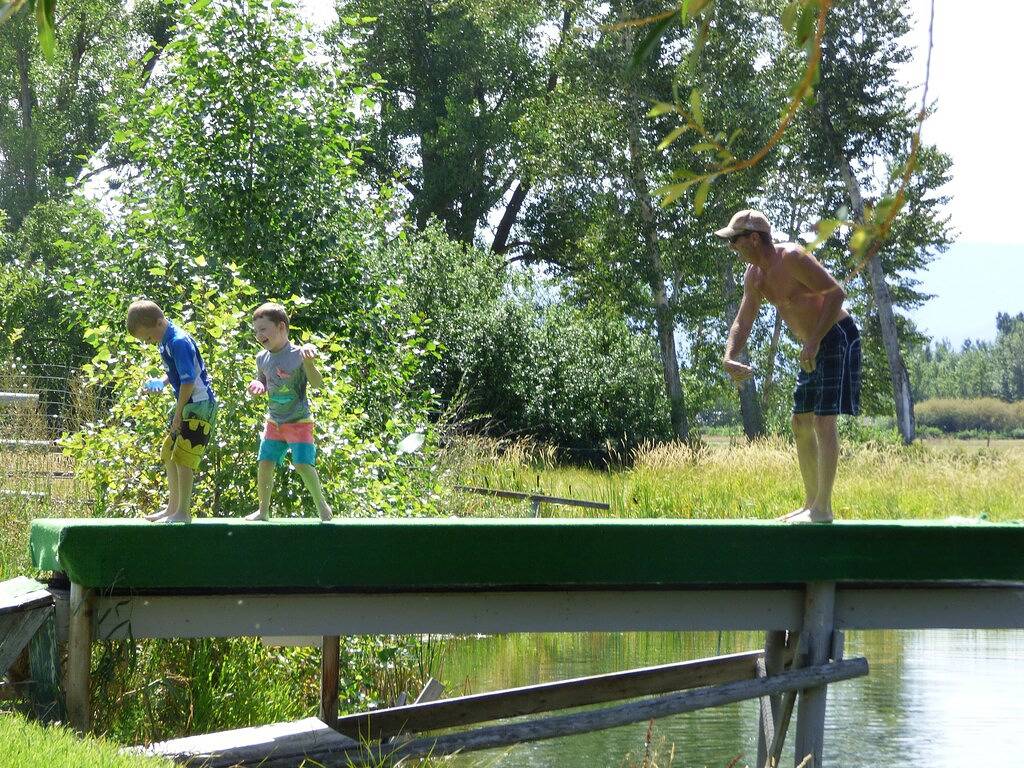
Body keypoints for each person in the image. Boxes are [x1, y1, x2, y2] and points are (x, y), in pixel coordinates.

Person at [717, 209, 861, 523]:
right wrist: (730, 355)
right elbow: (743, 320)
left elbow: (836, 294)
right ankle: (811, 503)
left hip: (836, 335)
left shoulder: (793, 257)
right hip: (813, 344)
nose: (732, 247)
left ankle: (823, 508)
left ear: (754, 238)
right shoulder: (754, 277)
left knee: (823, 422)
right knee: (800, 423)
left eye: (735, 240)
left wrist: (813, 341)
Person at [126, 299, 218, 523]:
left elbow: (188, 381)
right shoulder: (165, 340)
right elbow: (178, 372)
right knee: (168, 453)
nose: (148, 342)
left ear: (159, 322)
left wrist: (178, 414)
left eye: (148, 337)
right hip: (188, 404)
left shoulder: (177, 341)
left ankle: (183, 513)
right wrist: (162, 382)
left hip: (199, 405)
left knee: (183, 457)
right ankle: (172, 508)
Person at [245, 302, 333, 521]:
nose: (259, 335)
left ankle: (322, 506)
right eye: (256, 331)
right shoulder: (261, 358)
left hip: (299, 421)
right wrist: (258, 385)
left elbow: (318, 385)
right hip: (274, 422)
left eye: (263, 329)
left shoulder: (298, 354)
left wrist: (310, 364)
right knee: (265, 463)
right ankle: (263, 511)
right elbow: (263, 379)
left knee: (303, 464)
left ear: (281, 327)